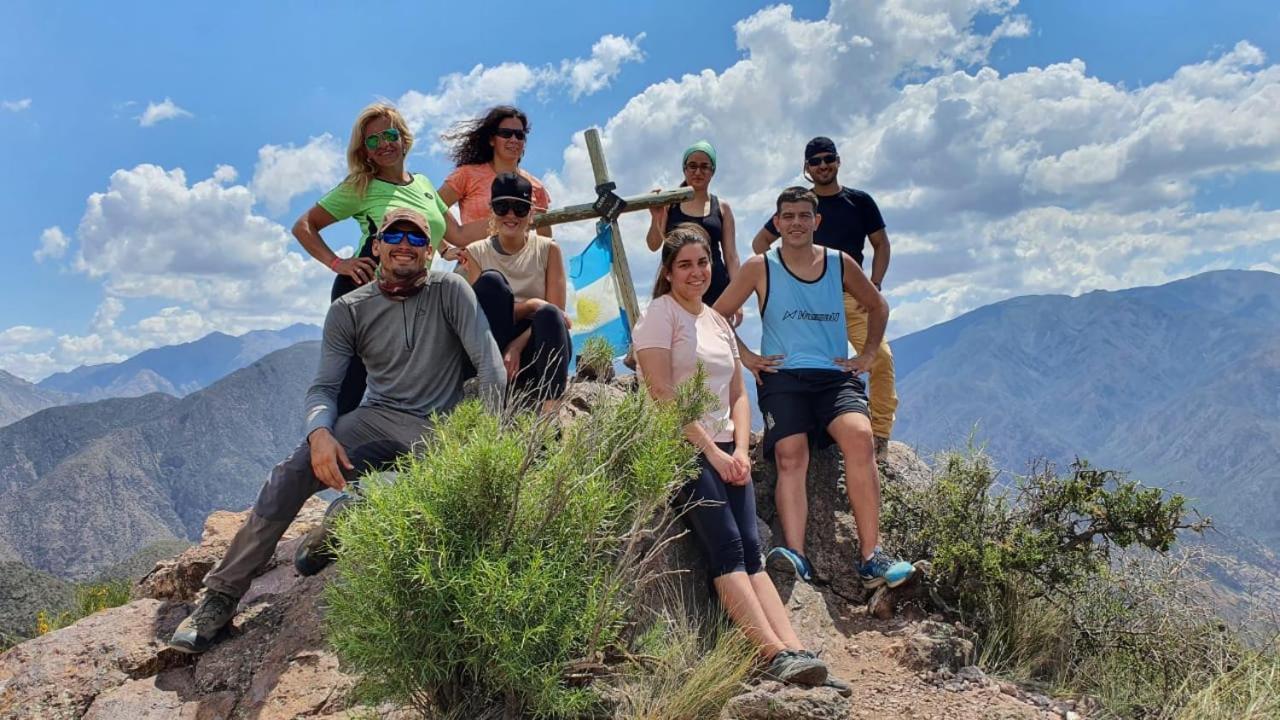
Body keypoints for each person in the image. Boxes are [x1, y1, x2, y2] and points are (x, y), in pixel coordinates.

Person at [170, 208, 504, 654]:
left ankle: (338, 529)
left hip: (441, 426)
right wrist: (319, 436)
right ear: (378, 245)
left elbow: (490, 365)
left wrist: (484, 442)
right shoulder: (350, 309)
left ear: (428, 252)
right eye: (395, 236)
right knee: (290, 474)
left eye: (417, 238)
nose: (405, 244)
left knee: (409, 505)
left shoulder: (450, 290)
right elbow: (324, 387)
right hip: (375, 418)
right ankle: (221, 597)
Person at [633, 224, 839, 689]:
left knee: (753, 550)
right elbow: (663, 395)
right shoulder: (657, 317)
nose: (696, 272)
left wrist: (741, 450)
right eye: (684, 265)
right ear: (667, 272)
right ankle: (771, 655)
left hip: (728, 448)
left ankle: (796, 650)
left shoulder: (717, 320)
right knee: (725, 545)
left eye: (702, 263)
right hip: (681, 448)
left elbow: (737, 393)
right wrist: (713, 453)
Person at [714, 187, 915, 589]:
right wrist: (747, 356)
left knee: (859, 439)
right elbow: (716, 315)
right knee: (791, 454)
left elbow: (878, 305)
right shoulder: (760, 266)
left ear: (816, 221)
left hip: (833, 376)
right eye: (787, 216)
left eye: (804, 216)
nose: (795, 224)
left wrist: (869, 354)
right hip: (784, 378)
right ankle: (796, 556)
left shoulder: (839, 264)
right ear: (777, 222)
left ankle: (872, 557)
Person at [292, 103, 467, 416]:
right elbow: (304, 226)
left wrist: (519, 217)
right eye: (372, 140)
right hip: (363, 291)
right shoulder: (360, 186)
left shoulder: (425, 184)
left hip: (412, 296)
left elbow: (455, 234)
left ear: (403, 138)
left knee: (405, 382)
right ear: (365, 151)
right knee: (349, 384)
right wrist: (337, 263)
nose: (384, 144)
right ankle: (319, 451)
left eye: (389, 135)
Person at [751, 137, 897, 460]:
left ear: (838, 161)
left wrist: (873, 283)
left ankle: (881, 434)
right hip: (807, 304)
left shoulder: (859, 202)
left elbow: (881, 245)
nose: (822, 166)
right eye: (814, 161)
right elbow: (760, 241)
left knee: (881, 358)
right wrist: (784, 280)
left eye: (827, 158)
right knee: (800, 367)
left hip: (851, 299)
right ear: (806, 168)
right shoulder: (800, 206)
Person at [460, 173, 571, 415]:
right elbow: (480, 315)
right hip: (492, 344)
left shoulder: (548, 249)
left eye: (520, 208)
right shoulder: (476, 252)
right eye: (502, 206)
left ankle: (550, 411)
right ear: (492, 211)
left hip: (538, 343)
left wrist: (517, 346)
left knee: (549, 315)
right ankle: (485, 388)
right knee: (491, 284)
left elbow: (557, 313)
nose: (511, 215)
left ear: (531, 213)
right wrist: (529, 305)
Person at [645, 141, 740, 316]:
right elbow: (653, 244)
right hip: (679, 286)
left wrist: (737, 299)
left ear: (713, 171)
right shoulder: (669, 204)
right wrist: (656, 217)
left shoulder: (722, 207)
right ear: (684, 169)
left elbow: (731, 256)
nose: (698, 172)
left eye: (704, 167)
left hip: (716, 288)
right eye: (692, 166)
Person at [440, 105, 553, 245]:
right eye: (506, 133)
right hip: (472, 263)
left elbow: (545, 239)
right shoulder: (467, 175)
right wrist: (445, 248)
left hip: (519, 265)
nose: (514, 139)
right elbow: (430, 208)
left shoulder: (536, 186)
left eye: (519, 135)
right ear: (491, 140)